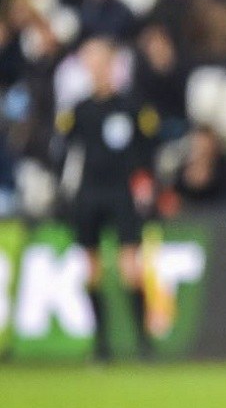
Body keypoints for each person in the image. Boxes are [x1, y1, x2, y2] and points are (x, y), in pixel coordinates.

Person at [55, 37, 158, 361]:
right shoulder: (79, 110)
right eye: (91, 63)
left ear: (113, 64)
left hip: (121, 192)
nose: (97, 69)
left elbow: (146, 152)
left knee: (130, 266)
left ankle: (143, 342)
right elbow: (64, 151)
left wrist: (146, 187)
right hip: (89, 192)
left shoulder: (131, 107)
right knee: (92, 269)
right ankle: (101, 344)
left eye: (102, 62)